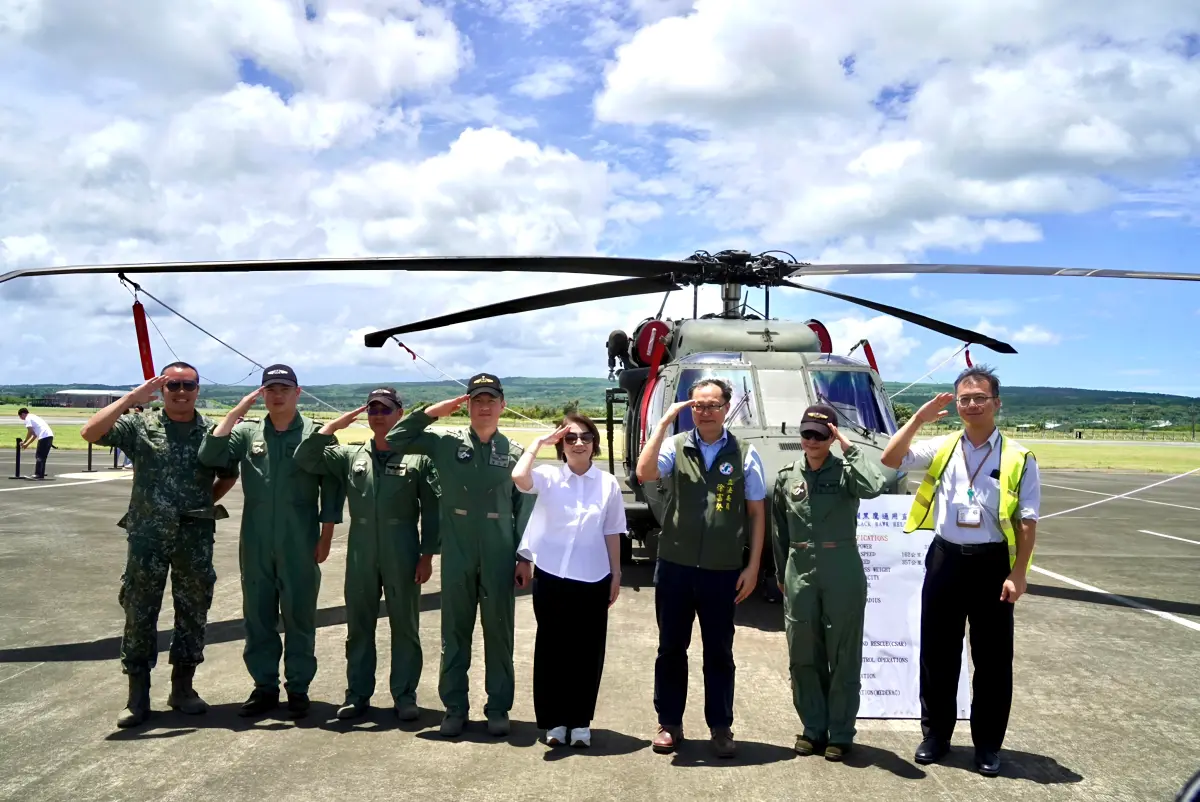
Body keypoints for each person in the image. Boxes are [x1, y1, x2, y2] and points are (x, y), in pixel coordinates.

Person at [880, 365, 1040, 777]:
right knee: (937, 653)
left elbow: (1026, 520)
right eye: (964, 398)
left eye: (979, 398)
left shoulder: (1019, 457)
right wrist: (917, 419)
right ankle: (936, 735)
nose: (971, 404)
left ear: (996, 403)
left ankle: (987, 744)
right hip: (945, 558)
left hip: (992, 564)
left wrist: (1018, 572)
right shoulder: (944, 445)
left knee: (991, 660)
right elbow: (890, 458)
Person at [79, 363, 239, 727]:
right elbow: (91, 432)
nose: (181, 391)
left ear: (199, 389)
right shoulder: (140, 425)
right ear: (161, 389)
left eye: (188, 385)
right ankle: (137, 695)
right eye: (173, 385)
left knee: (193, 609)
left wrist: (202, 504)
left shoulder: (212, 432)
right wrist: (132, 399)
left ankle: (182, 688)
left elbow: (229, 474)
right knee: (139, 609)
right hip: (148, 535)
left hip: (194, 538)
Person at [385, 372, 533, 738]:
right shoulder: (444, 444)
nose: (484, 406)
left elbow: (525, 508)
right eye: (476, 400)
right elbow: (395, 437)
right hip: (458, 553)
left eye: (490, 400)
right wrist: (435, 411)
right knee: (455, 632)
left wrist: (524, 557)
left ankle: (498, 706)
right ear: (467, 405)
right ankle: (455, 707)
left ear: (502, 405)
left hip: (499, 554)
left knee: (499, 632)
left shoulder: (514, 453)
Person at [198, 364, 345, 718]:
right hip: (257, 537)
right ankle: (264, 687)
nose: (277, 395)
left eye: (284, 389)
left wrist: (326, 536)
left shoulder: (316, 434)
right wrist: (236, 412)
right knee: (258, 615)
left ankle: (297, 688)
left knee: (299, 615)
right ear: (261, 394)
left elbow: (332, 489)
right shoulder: (248, 434)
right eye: (270, 389)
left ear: (297, 392)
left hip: (300, 536)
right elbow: (210, 455)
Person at [634, 377, 767, 758]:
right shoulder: (676, 446)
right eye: (697, 405)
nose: (705, 412)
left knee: (719, 652)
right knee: (671, 648)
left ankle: (720, 727)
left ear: (727, 408)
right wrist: (663, 424)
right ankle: (669, 723)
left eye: (712, 405)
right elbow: (645, 473)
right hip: (676, 565)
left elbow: (756, 512)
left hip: (722, 569)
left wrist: (753, 564)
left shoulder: (745, 454)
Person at [294, 387, 441, 721]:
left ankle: (405, 695)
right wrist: (333, 427)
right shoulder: (350, 455)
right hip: (361, 546)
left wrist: (428, 554)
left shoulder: (418, 458)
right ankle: (357, 694)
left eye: (385, 410)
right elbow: (306, 457)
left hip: (402, 543)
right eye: (372, 410)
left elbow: (433, 510)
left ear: (399, 414)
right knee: (359, 624)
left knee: (405, 624)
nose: (378, 415)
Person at [770, 403, 887, 760]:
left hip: (842, 570)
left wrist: (849, 447)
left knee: (843, 653)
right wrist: (781, 576)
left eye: (821, 435)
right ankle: (812, 727)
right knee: (803, 652)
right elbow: (778, 532)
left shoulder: (848, 472)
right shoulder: (787, 476)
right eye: (807, 433)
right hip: (800, 570)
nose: (812, 440)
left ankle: (840, 732)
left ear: (832, 436)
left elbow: (875, 485)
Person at [512, 412, 626, 748]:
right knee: (552, 650)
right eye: (571, 437)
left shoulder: (607, 484)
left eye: (586, 437)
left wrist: (616, 573)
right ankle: (555, 721)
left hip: (593, 577)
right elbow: (519, 476)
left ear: (595, 445)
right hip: (551, 576)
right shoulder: (548, 476)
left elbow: (612, 531)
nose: (579, 443)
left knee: (587, 652)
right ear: (561, 444)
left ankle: (580, 722)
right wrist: (538, 443)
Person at [18, 407, 54, 479]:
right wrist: (27, 444)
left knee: (39, 456)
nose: (21, 419)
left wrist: (24, 441)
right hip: (49, 436)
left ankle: (38, 474)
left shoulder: (28, 418)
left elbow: (30, 431)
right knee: (43, 457)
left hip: (44, 436)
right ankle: (41, 474)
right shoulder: (33, 417)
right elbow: (34, 435)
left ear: (23, 414)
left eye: (20, 417)